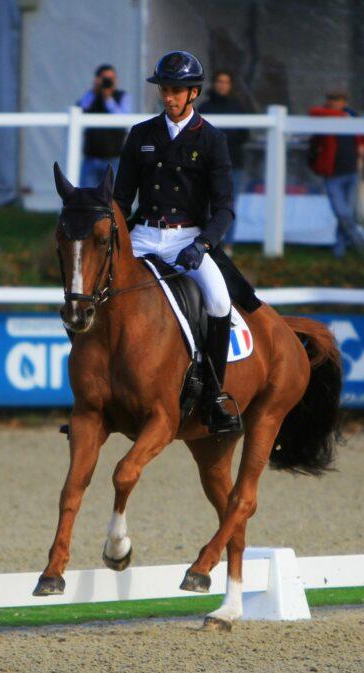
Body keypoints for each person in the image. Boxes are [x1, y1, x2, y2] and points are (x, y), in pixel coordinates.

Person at [113, 50, 242, 434]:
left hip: (187, 237)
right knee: (92, 287)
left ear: (193, 93)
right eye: (164, 90)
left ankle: (215, 397)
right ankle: (92, 389)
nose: (168, 97)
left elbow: (224, 210)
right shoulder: (141, 135)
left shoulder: (213, 140)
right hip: (143, 235)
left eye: (176, 90)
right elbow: (121, 199)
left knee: (219, 301)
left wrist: (202, 245)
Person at [309, 90, 364, 257]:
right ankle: (362, 245)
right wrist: (340, 116)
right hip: (333, 174)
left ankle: (339, 251)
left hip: (352, 172)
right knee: (342, 213)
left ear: (344, 102)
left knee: (347, 214)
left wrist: (363, 147)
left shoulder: (353, 117)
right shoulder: (323, 115)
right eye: (331, 100)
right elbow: (314, 112)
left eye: (338, 100)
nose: (333, 103)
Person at [198, 70, 250, 256]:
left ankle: (228, 245)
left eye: (226, 82)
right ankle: (209, 242)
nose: (222, 85)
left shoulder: (238, 107)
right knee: (207, 205)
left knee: (228, 206)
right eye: (219, 81)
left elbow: (245, 134)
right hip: (208, 166)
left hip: (234, 165)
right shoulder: (205, 108)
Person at [77, 64, 132, 187]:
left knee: (113, 198)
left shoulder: (122, 96)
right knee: (87, 198)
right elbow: (80, 109)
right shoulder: (91, 96)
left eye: (111, 78)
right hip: (91, 158)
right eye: (104, 78)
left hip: (114, 159)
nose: (108, 82)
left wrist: (108, 98)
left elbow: (122, 118)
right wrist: (95, 91)